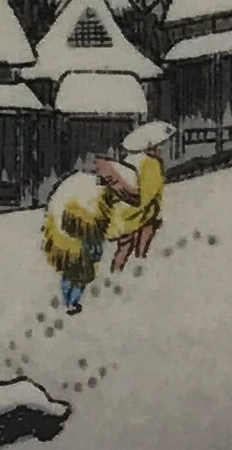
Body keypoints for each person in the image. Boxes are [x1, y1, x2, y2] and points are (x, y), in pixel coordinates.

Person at [42, 154, 132, 313]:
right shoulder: (91, 192)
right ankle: (71, 301)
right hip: (76, 241)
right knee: (78, 275)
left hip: (67, 240)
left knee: (71, 274)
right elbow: (97, 220)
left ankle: (70, 301)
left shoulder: (74, 186)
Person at [106, 120, 170, 274]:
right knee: (142, 243)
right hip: (142, 212)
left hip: (122, 211)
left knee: (124, 246)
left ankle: (116, 272)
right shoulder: (151, 163)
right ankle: (139, 268)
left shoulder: (127, 160)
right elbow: (149, 192)